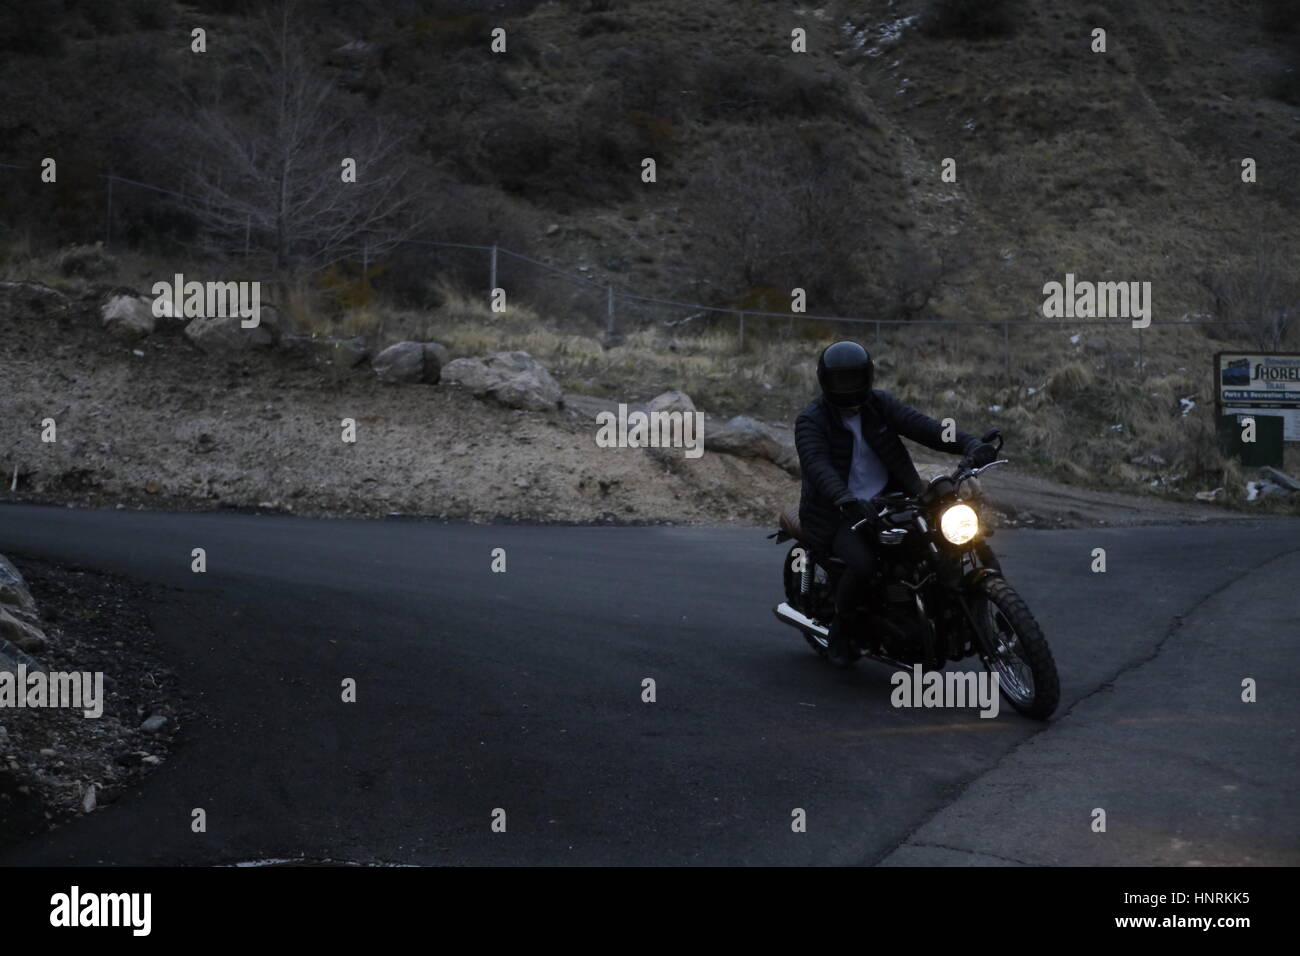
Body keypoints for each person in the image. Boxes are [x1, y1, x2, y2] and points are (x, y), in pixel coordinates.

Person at [794, 341, 997, 666]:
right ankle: (842, 630)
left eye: (854, 378)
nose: (848, 387)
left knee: (955, 539)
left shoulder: (879, 404)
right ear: (825, 381)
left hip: (894, 497)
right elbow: (817, 465)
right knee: (865, 565)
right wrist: (844, 498)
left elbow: (926, 428)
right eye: (840, 380)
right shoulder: (811, 419)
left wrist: (970, 443)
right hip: (839, 512)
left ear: (867, 377)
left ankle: (980, 609)